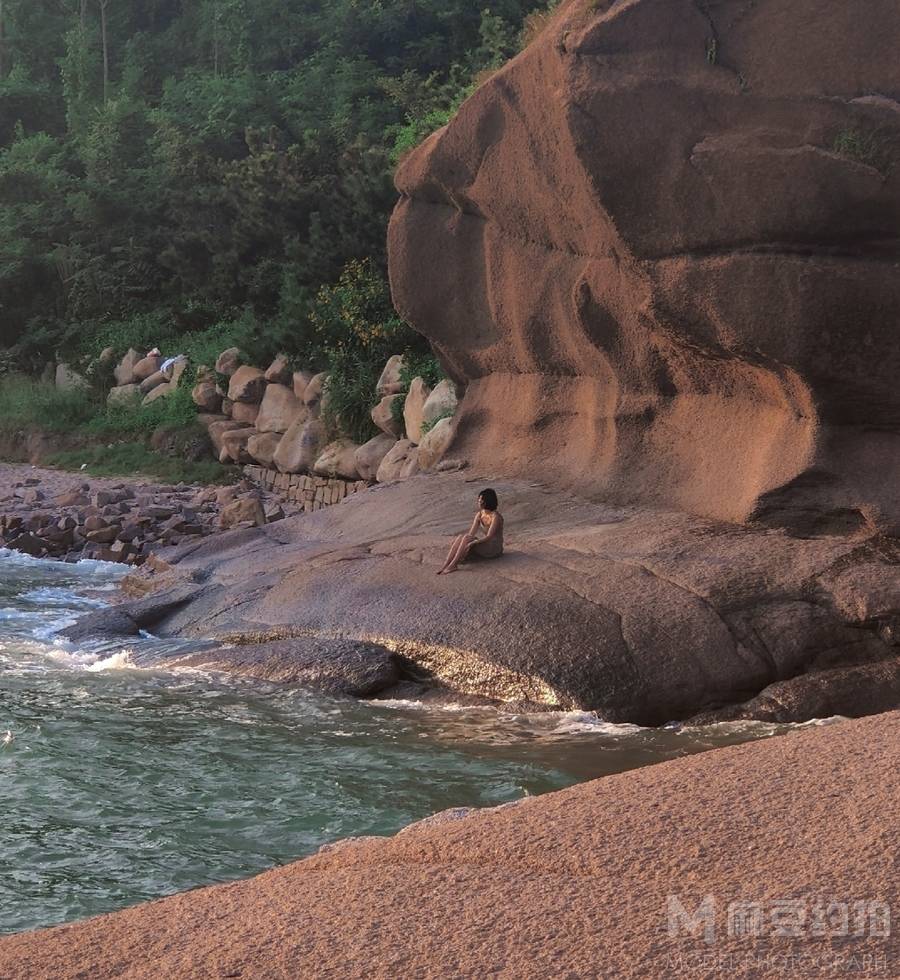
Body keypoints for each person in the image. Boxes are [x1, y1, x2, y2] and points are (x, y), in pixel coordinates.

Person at [437, 488, 504, 575]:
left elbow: (489, 537)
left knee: (467, 539)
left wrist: (474, 543)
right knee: (463, 537)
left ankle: (453, 565)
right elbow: (471, 533)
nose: (479, 502)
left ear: (488, 501)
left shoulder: (495, 517)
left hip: (493, 548)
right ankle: (446, 564)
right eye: (479, 499)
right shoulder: (480, 514)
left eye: (481, 500)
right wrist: (462, 542)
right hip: (485, 544)